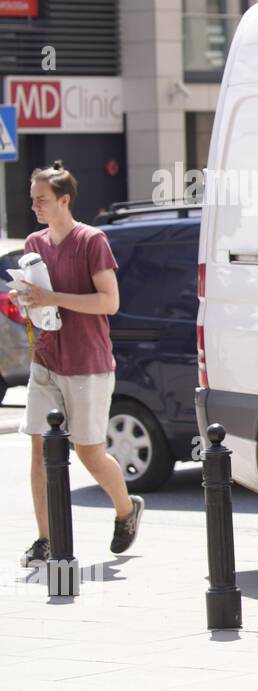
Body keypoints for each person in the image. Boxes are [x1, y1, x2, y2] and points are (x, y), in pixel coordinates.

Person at [13, 161, 143, 565]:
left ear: (64, 200)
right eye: (32, 199)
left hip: (88, 363)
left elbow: (110, 302)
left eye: (42, 199)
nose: (34, 206)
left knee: (88, 453)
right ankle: (46, 539)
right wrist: (28, 304)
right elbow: (39, 301)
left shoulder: (92, 241)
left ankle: (126, 509)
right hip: (46, 360)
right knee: (39, 450)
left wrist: (54, 300)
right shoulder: (34, 243)